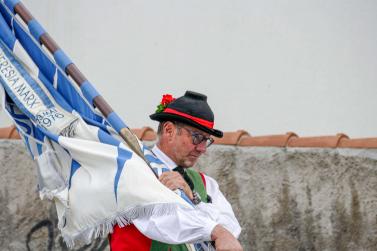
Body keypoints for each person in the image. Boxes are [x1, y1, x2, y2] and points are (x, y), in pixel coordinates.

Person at [109, 91, 243, 251]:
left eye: (206, 140)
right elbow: (163, 223)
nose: (202, 149)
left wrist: (194, 199)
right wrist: (215, 231)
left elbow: (230, 231)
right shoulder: (134, 172)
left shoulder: (206, 184)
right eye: (197, 137)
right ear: (169, 130)